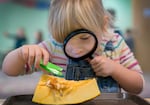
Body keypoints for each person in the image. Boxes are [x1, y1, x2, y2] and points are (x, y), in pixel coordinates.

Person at [2, 0, 144, 94]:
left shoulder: (114, 43)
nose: (76, 49)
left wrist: (115, 69)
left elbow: (138, 86)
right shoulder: (52, 47)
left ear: (103, 24)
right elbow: (9, 70)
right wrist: (22, 54)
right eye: (65, 39)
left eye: (84, 37)